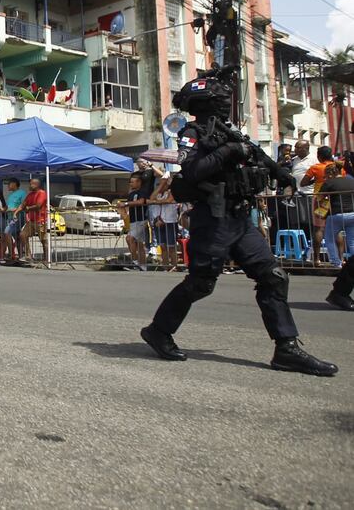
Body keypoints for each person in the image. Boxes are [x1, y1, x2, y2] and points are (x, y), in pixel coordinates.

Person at [140, 65, 338, 376]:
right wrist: (230, 151)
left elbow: (258, 155)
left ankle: (286, 348)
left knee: (273, 276)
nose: (224, 103)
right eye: (219, 99)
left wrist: (280, 172)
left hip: (241, 218)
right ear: (205, 103)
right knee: (201, 284)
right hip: (213, 218)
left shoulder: (231, 130)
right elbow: (192, 171)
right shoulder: (191, 134)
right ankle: (158, 331)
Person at [301, 146, 339, 266]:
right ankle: (340, 258)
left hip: (320, 200)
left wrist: (315, 180)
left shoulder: (315, 167)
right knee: (337, 230)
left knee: (318, 229)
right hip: (336, 199)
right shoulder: (338, 168)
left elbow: (303, 183)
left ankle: (316, 259)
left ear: (319, 156)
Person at [319, 162, 354, 270]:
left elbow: (320, 197)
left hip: (336, 214)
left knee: (329, 238)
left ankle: (337, 263)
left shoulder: (329, 183)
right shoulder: (351, 180)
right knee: (352, 241)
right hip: (352, 213)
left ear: (330, 173)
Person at [149, 174, 179, 271]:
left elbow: (169, 200)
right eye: (158, 184)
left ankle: (175, 266)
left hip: (169, 221)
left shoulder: (172, 191)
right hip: (158, 221)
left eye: (163, 184)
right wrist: (160, 186)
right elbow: (151, 199)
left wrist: (157, 202)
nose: (160, 185)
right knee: (163, 246)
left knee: (171, 246)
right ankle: (166, 266)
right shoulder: (158, 193)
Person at [119, 174, 148, 271]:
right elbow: (127, 207)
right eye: (130, 182)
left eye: (132, 181)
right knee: (139, 244)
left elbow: (141, 202)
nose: (130, 183)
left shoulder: (142, 191)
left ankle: (135, 262)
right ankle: (142, 266)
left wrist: (126, 203)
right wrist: (123, 212)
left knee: (129, 238)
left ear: (139, 182)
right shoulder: (131, 194)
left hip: (141, 220)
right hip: (133, 220)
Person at [18, 178, 48, 263]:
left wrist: (28, 208)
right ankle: (28, 255)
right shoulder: (30, 194)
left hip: (41, 220)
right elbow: (23, 204)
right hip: (31, 220)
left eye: (31, 184)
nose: (30, 186)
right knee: (22, 235)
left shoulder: (41, 193)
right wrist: (19, 210)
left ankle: (46, 258)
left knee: (43, 239)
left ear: (36, 184)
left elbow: (38, 205)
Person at [3, 178, 27, 260]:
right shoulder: (10, 195)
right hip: (10, 218)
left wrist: (14, 210)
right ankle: (21, 255)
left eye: (9, 184)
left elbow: (23, 205)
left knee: (7, 232)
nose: (7, 186)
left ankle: (11, 254)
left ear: (14, 184)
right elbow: (8, 206)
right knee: (16, 236)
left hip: (17, 218)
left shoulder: (22, 193)